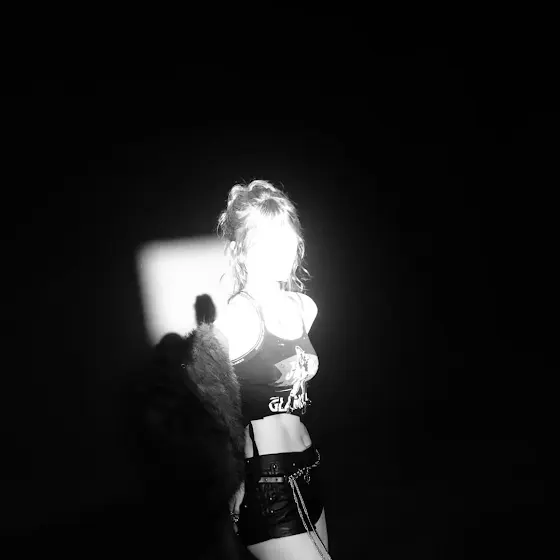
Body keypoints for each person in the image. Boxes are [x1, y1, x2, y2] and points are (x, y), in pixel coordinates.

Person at [215, 179, 331, 559]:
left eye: (286, 233)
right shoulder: (237, 319)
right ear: (242, 251)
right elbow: (208, 407)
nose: (282, 247)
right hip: (267, 484)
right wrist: (231, 481)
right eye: (266, 239)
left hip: (309, 467)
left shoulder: (304, 308)